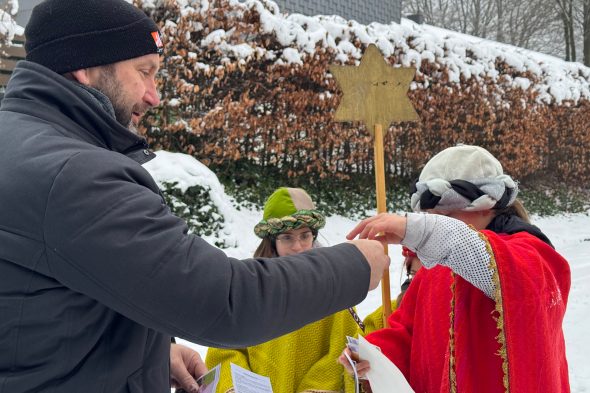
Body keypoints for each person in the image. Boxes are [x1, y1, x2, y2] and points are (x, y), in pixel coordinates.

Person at [0, 1, 390, 392]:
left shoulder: (19, 142)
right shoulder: (74, 176)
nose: (154, 96)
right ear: (84, 67)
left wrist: (152, 351)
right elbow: (226, 301)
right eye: (145, 72)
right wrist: (355, 266)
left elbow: (54, 300)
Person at [339, 144, 571, 392]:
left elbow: (493, 269)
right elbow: (408, 333)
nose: (438, 226)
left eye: (445, 216)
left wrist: (422, 230)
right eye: (431, 217)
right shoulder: (437, 265)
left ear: (486, 206)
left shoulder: (532, 255)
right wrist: (373, 355)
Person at [206, 187, 362, 393]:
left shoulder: (335, 291)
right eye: (287, 237)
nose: (298, 246)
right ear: (272, 242)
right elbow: (223, 349)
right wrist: (234, 387)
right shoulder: (249, 288)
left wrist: (317, 388)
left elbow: (345, 353)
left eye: (305, 236)